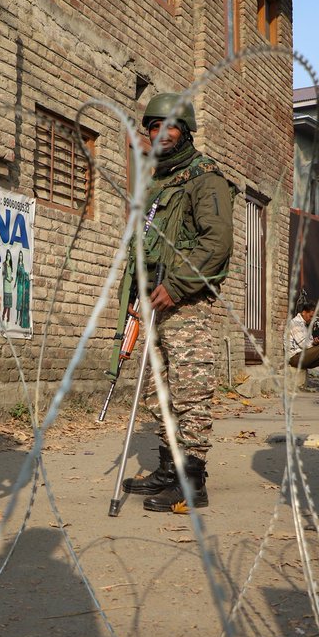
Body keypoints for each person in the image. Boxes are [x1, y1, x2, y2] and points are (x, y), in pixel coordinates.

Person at [118, 92, 234, 512]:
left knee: (190, 390)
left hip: (188, 302)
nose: (161, 133)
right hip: (154, 300)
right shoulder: (160, 181)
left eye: (170, 126)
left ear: (184, 132)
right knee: (159, 390)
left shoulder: (206, 177)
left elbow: (217, 242)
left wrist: (179, 285)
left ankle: (192, 479)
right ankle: (169, 468)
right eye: (154, 126)